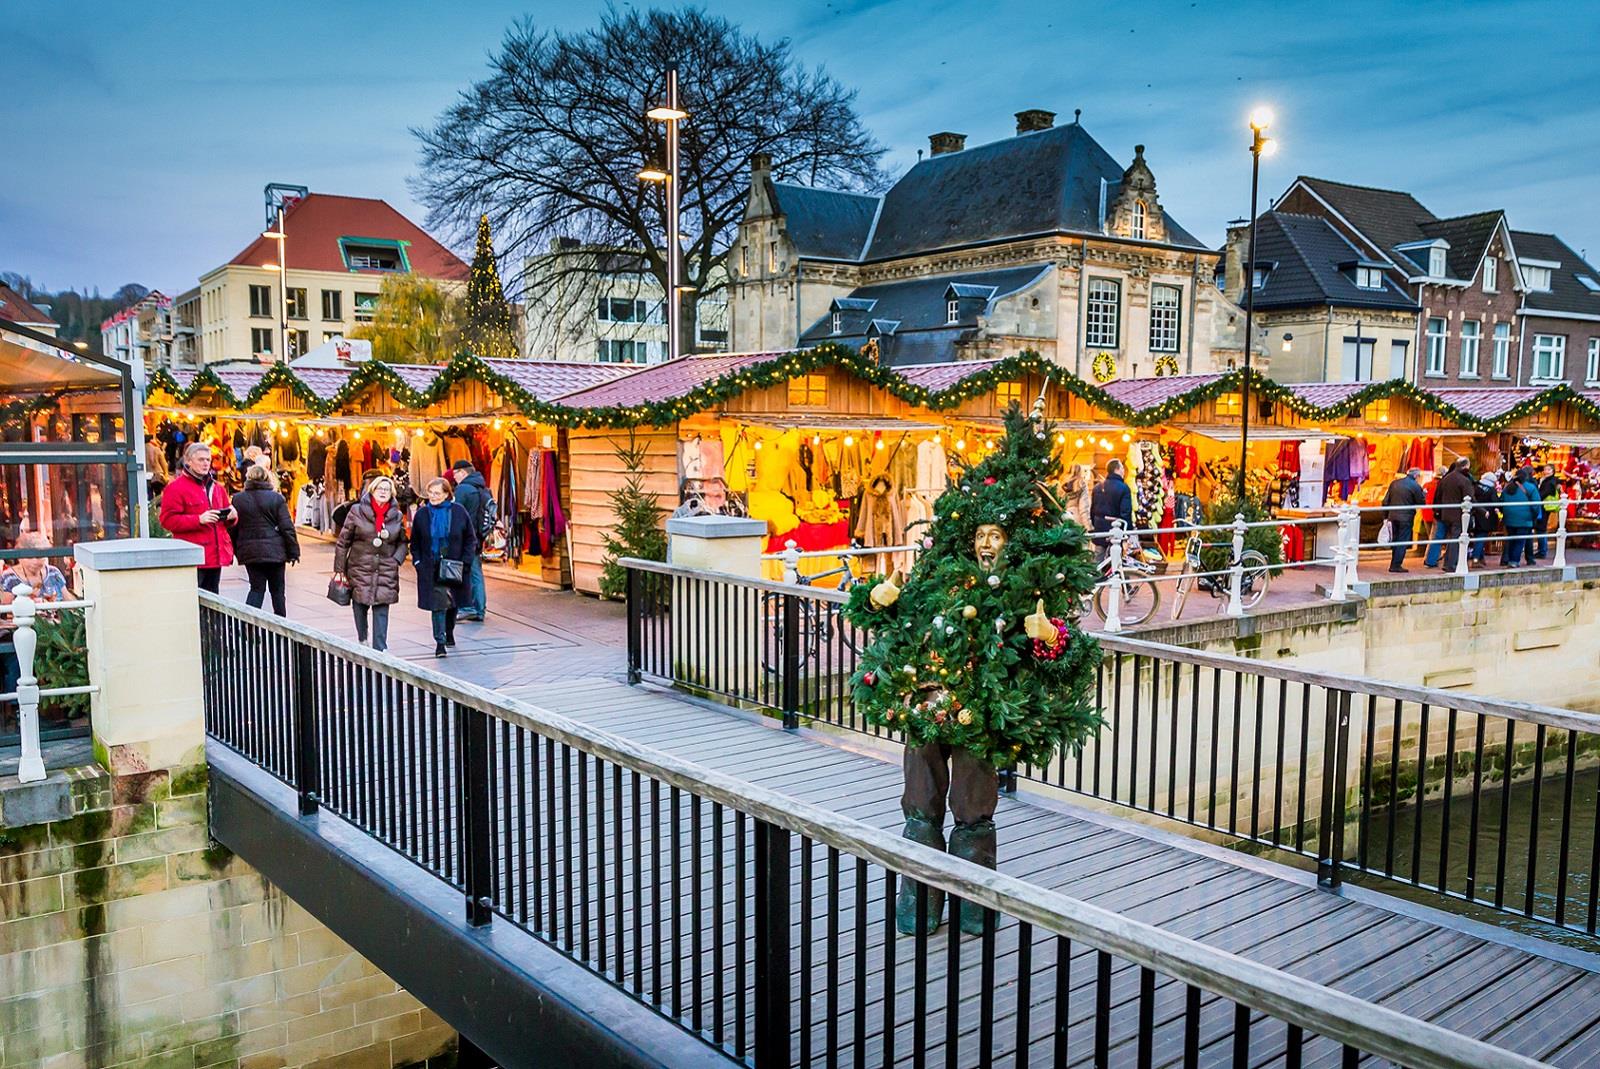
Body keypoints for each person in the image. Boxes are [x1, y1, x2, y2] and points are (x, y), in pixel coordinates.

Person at [333, 475, 407, 652]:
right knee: (360, 603)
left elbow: (403, 541)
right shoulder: (357, 511)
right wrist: (339, 569)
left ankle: (380, 649)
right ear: (372, 490)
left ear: (392, 493)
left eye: (387, 489)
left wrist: (396, 558)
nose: (383, 492)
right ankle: (362, 639)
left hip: (386, 567)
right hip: (360, 566)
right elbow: (343, 541)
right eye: (380, 489)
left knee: (382, 606)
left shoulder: (396, 515)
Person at [410, 477, 477, 658]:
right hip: (430, 566)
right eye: (430, 493)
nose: (433, 496)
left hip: (454, 564)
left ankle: (449, 632)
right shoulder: (422, 514)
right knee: (438, 605)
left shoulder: (458, 512)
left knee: (453, 602)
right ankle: (440, 643)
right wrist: (417, 562)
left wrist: (466, 561)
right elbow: (414, 541)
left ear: (447, 494)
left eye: (437, 493)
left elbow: (470, 539)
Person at [159, 441, 236, 592]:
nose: (206, 463)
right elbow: (167, 520)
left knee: (213, 601)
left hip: (216, 555)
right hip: (194, 556)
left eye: (208, 459)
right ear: (188, 461)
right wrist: (198, 519)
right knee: (194, 601)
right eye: (201, 460)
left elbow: (226, 517)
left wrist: (231, 516)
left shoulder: (218, 488)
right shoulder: (175, 488)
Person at [229, 464, 300, 616]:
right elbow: (287, 527)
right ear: (267, 478)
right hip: (275, 551)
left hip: (250, 552)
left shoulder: (238, 499)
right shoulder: (276, 498)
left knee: (256, 589)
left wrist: (236, 550)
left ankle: (249, 628)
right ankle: (281, 628)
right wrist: (293, 551)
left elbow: (233, 527)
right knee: (278, 591)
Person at [450, 460, 491, 621]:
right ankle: (480, 609)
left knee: (467, 573)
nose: (454, 477)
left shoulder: (463, 489)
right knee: (476, 573)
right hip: (478, 536)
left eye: (455, 474)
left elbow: (457, 514)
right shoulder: (481, 487)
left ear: (462, 472)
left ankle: (468, 607)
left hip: (465, 538)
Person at [1433, 459, 1475, 573]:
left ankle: (1448, 562)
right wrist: (1480, 510)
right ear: (1465, 466)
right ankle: (1450, 564)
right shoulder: (1464, 480)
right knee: (1456, 538)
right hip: (1458, 514)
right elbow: (1470, 498)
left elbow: (1438, 495)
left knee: (1451, 538)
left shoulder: (1445, 479)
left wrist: (1438, 510)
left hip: (1446, 513)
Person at [1381, 467, 1426, 573]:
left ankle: (1394, 563)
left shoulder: (1394, 483)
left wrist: (1386, 516)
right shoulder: (1415, 486)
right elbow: (1421, 503)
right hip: (1406, 517)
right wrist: (1424, 494)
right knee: (1402, 541)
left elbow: (1385, 501)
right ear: (1416, 476)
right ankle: (1396, 565)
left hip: (1393, 515)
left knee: (1396, 540)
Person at [1088, 459, 1134, 559]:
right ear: (1117, 469)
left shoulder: (1097, 487)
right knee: (1116, 558)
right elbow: (1125, 512)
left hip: (1100, 528)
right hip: (1115, 529)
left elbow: (1092, 510)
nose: (1123, 470)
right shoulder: (1124, 488)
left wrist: (1095, 524)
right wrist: (1128, 532)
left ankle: (1097, 574)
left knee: (1099, 558)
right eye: (1122, 468)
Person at [1499, 467, 1542, 568]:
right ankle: (1514, 560)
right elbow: (1536, 505)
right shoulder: (1531, 488)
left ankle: (1509, 559)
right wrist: (1533, 517)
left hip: (1509, 518)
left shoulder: (1507, 488)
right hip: (1525, 519)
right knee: (1520, 541)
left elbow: (1501, 501)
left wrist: (1504, 513)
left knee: (1511, 539)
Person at [1469, 471, 1500, 566]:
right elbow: (1496, 502)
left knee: (1478, 536)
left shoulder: (1474, 486)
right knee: (1481, 537)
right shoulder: (1491, 490)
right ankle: (1475, 559)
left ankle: (1480, 558)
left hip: (1474, 515)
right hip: (1486, 517)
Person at [1422, 467, 1448, 568]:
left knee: (1431, 536)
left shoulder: (1426, 485)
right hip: (1436, 514)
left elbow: (1422, 497)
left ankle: (1430, 557)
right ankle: (1430, 559)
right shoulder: (1442, 485)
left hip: (1425, 513)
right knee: (1435, 537)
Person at [1534, 464, 1560, 559]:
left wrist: (1537, 497)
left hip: (1545, 506)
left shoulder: (1549, 482)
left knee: (1541, 527)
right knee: (1541, 527)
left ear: (1553, 471)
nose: (1546, 471)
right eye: (1545, 469)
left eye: (1549, 469)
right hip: (1545, 506)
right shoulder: (1549, 481)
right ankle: (1542, 550)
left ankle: (1542, 551)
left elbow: (1543, 494)